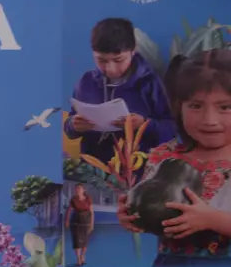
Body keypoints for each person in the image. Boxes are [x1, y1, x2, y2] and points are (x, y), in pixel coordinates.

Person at [118, 49, 231, 267]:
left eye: (225, 107)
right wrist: (132, 215)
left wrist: (212, 220)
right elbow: (154, 212)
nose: (210, 120)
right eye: (196, 106)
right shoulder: (164, 156)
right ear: (179, 107)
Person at [64, 17, 174, 165]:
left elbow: (172, 128)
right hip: (93, 171)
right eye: (101, 60)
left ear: (132, 51)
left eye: (118, 60)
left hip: (137, 171)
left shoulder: (149, 83)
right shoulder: (86, 81)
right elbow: (70, 127)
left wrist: (144, 125)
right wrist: (73, 125)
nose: (110, 69)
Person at [65, 183, 94, 267]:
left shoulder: (88, 199)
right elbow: (69, 210)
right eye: (76, 189)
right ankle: (78, 258)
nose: (78, 190)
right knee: (76, 241)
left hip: (86, 222)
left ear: (83, 190)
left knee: (84, 241)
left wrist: (92, 224)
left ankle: (83, 255)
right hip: (75, 222)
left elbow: (92, 212)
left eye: (79, 189)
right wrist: (67, 220)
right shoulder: (73, 199)